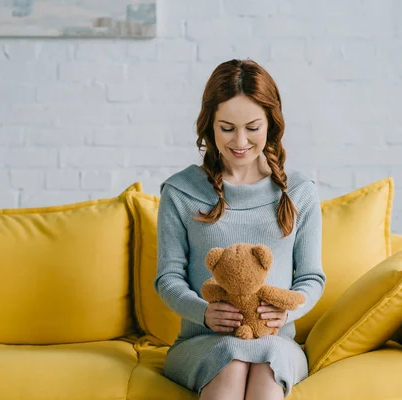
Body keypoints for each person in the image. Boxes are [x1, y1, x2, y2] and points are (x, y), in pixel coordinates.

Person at [154, 58, 326, 400]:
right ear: (210, 127)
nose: (240, 141)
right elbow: (168, 278)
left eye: (253, 127)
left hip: (275, 341)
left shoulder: (300, 192)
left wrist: (286, 311)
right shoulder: (180, 191)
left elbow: (311, 277)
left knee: (267, 363)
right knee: (231, 360)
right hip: (202, 341)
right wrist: (205, 313)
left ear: (271, 124)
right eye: (227, 128)